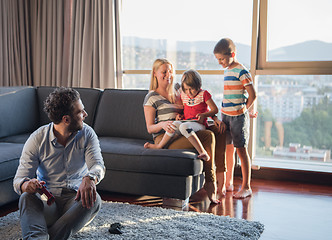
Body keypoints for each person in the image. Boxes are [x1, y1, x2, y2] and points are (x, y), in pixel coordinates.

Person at [13, 87, 106, 240]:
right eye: (80, 112)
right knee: (26, 198)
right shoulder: (37, 139)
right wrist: (26, 185)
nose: (85, 115)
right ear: (66, 119)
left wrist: (90, 177)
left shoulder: (87, 134)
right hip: (48, 202)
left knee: (94, 200)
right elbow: (19, 180)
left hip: (76, 202)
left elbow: (98, 165)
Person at [143, 58, 226, 204]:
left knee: (218, 130)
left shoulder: (178, 89)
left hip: (184, 128)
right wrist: (163, 124)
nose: (168, 74)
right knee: (207, 136)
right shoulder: (151, 97)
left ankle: (222, 177)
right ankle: (210, 182)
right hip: (166, 137)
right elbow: (150, 127)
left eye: (170, 71)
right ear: (155, 74)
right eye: (164, 72)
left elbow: (198, 103)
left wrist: (215, 118)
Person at [213, 38, 257, 199]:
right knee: (228, 150)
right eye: (218, 60)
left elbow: (253, 95)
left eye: (222, 59)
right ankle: (228, 182)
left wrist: (245, 110)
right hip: (225, 115)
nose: (220, 63)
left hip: (238, 118)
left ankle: (246, 186)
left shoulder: (242, 71)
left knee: (241, 150)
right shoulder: (227, 70)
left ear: (232, 54)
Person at [144, 69, 218, 162]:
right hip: (184, 125)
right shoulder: (183, 94)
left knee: (185, 126)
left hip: (196, 124)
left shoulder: (198, 93)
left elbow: (212, 109)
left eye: (192, 89)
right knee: (175, 124)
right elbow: (186, 111)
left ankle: (203, 152)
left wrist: (210, 117)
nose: (189, 92)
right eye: (186, 90)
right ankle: (159, 146)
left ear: (198, 86)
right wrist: (179, 116)